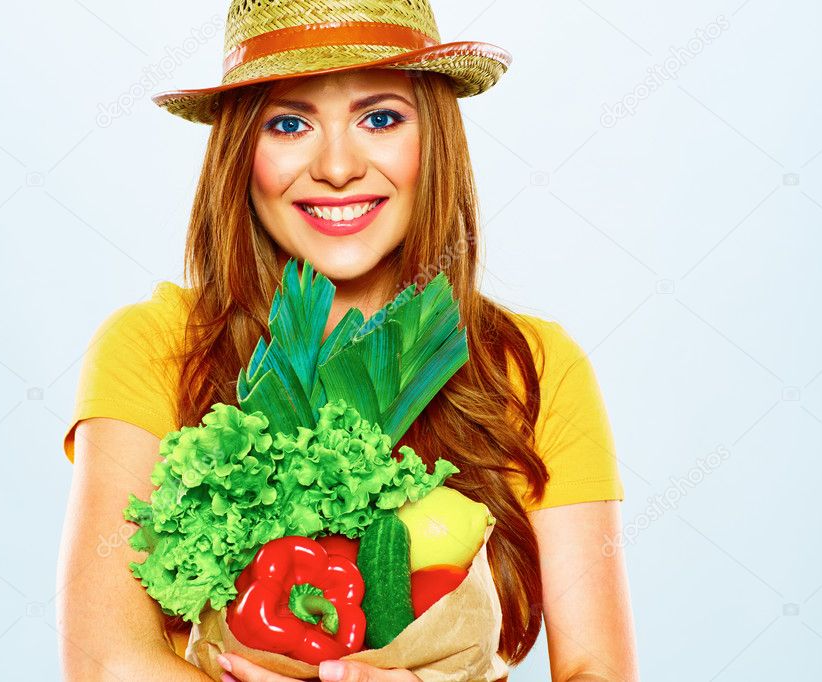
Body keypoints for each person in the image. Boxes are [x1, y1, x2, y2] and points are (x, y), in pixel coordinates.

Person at [56, 1, 640, 680]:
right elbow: (106, 660)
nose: (336, 167)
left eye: (381, 118)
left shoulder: (532, 367)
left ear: (436, 139)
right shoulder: (156, 345)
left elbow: (596, 671)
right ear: (242, 151)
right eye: (289, 123)